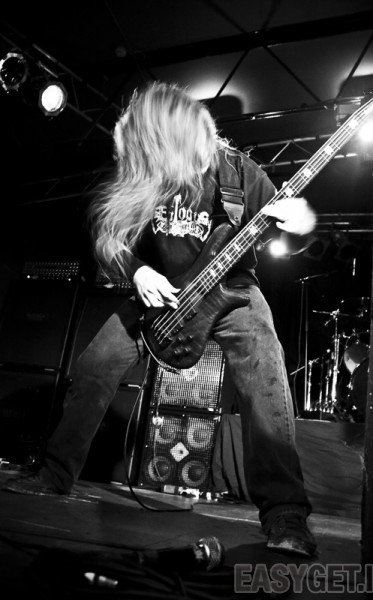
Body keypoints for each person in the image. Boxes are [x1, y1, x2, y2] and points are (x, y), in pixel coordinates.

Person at [2, 81, 317, 558]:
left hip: (231, 291)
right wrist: (137, 271)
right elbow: (109, 236)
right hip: (162, 296)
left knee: (266, 375)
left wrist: (302, 225)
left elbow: (285, 234)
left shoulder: (238, 171)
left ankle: (286, 514)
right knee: (94, 366)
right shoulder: (145, 170)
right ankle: (54, 475)